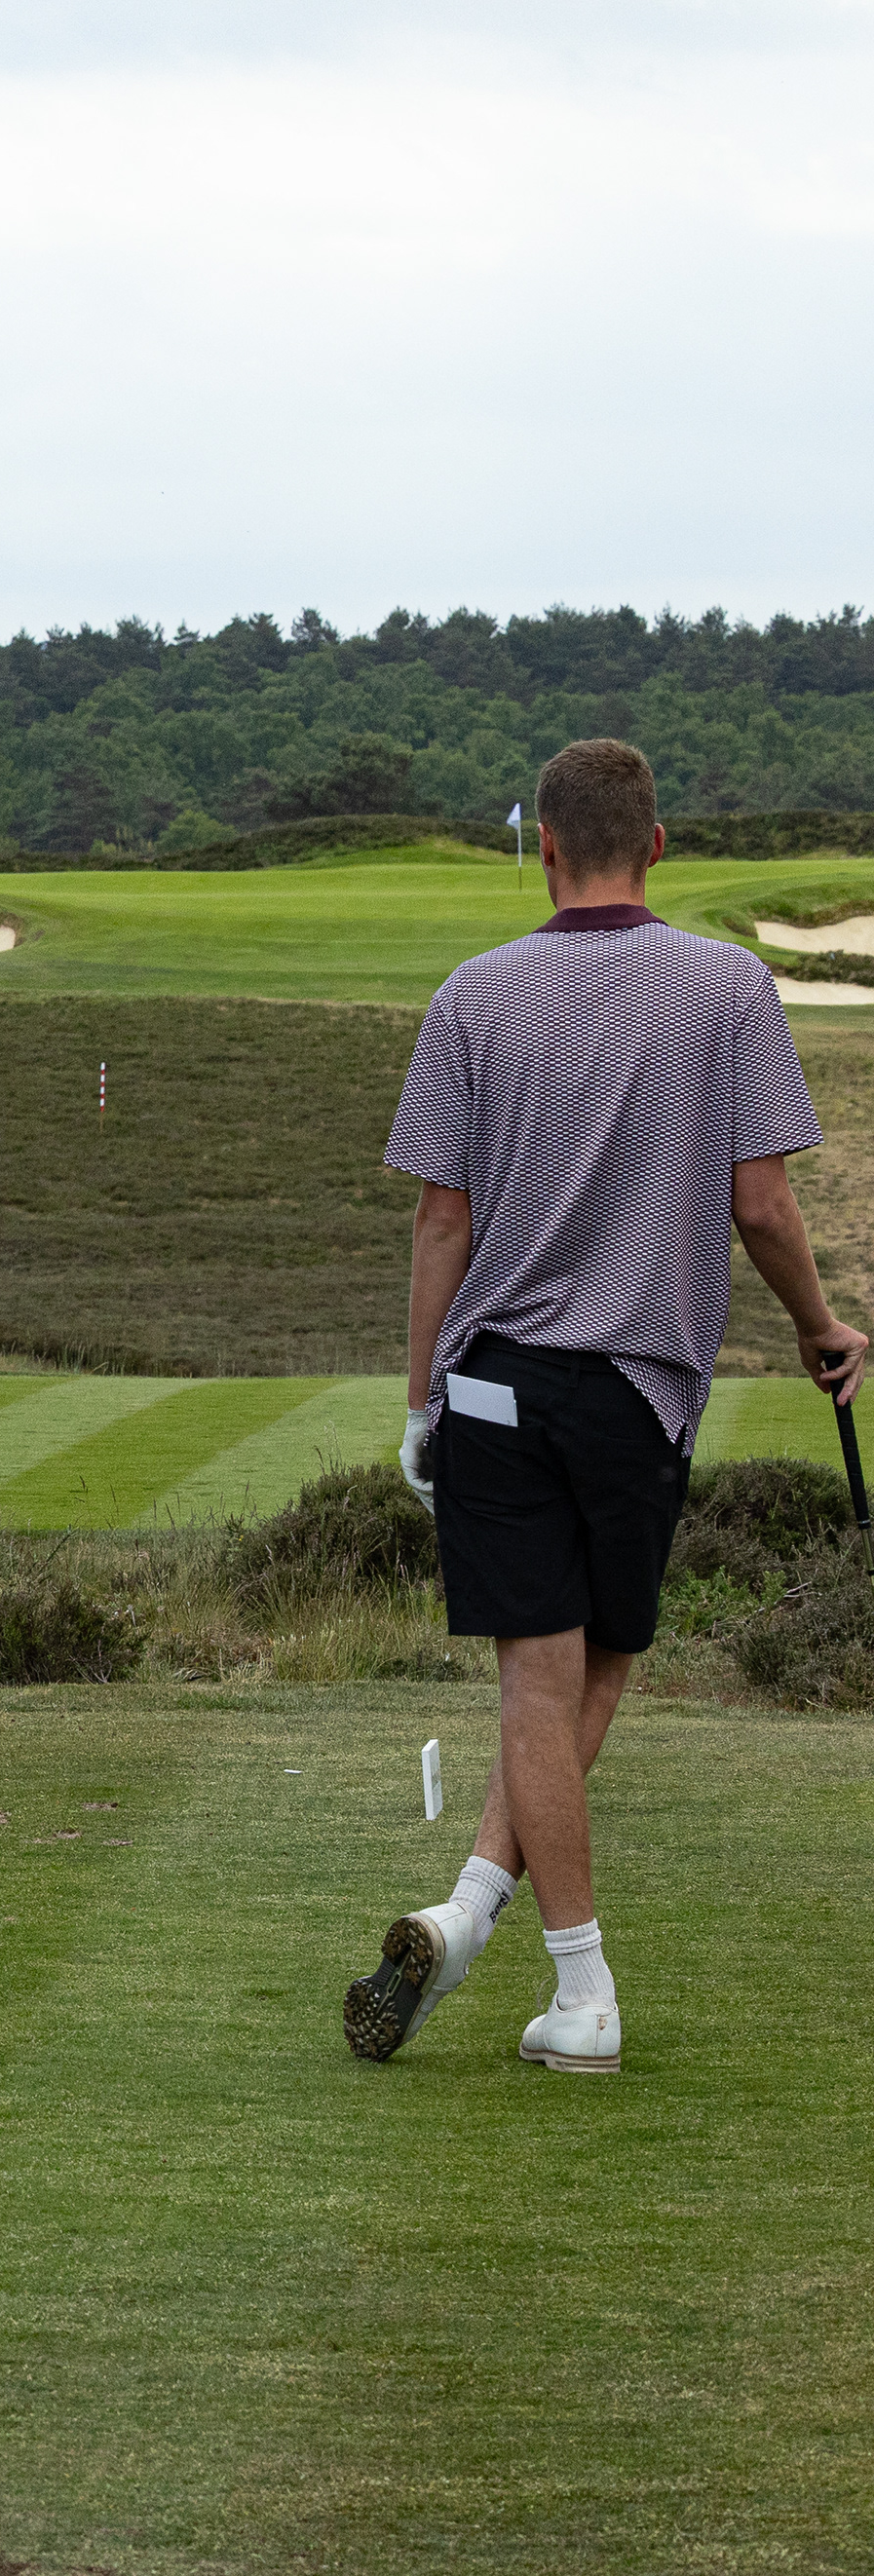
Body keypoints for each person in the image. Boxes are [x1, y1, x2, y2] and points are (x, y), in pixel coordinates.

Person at [347, 738, 865, 2073]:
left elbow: (441, 1219)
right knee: (592, 1663)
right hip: (643, 1389)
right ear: (659, 846)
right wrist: (821, 1328)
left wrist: (418, 1403)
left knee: (548, 1672)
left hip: (491, 1384)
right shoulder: (729, 986)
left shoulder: (471, 993)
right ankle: (579, 1990)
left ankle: (469, 1917)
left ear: (546, 848)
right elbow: (763, 1205)